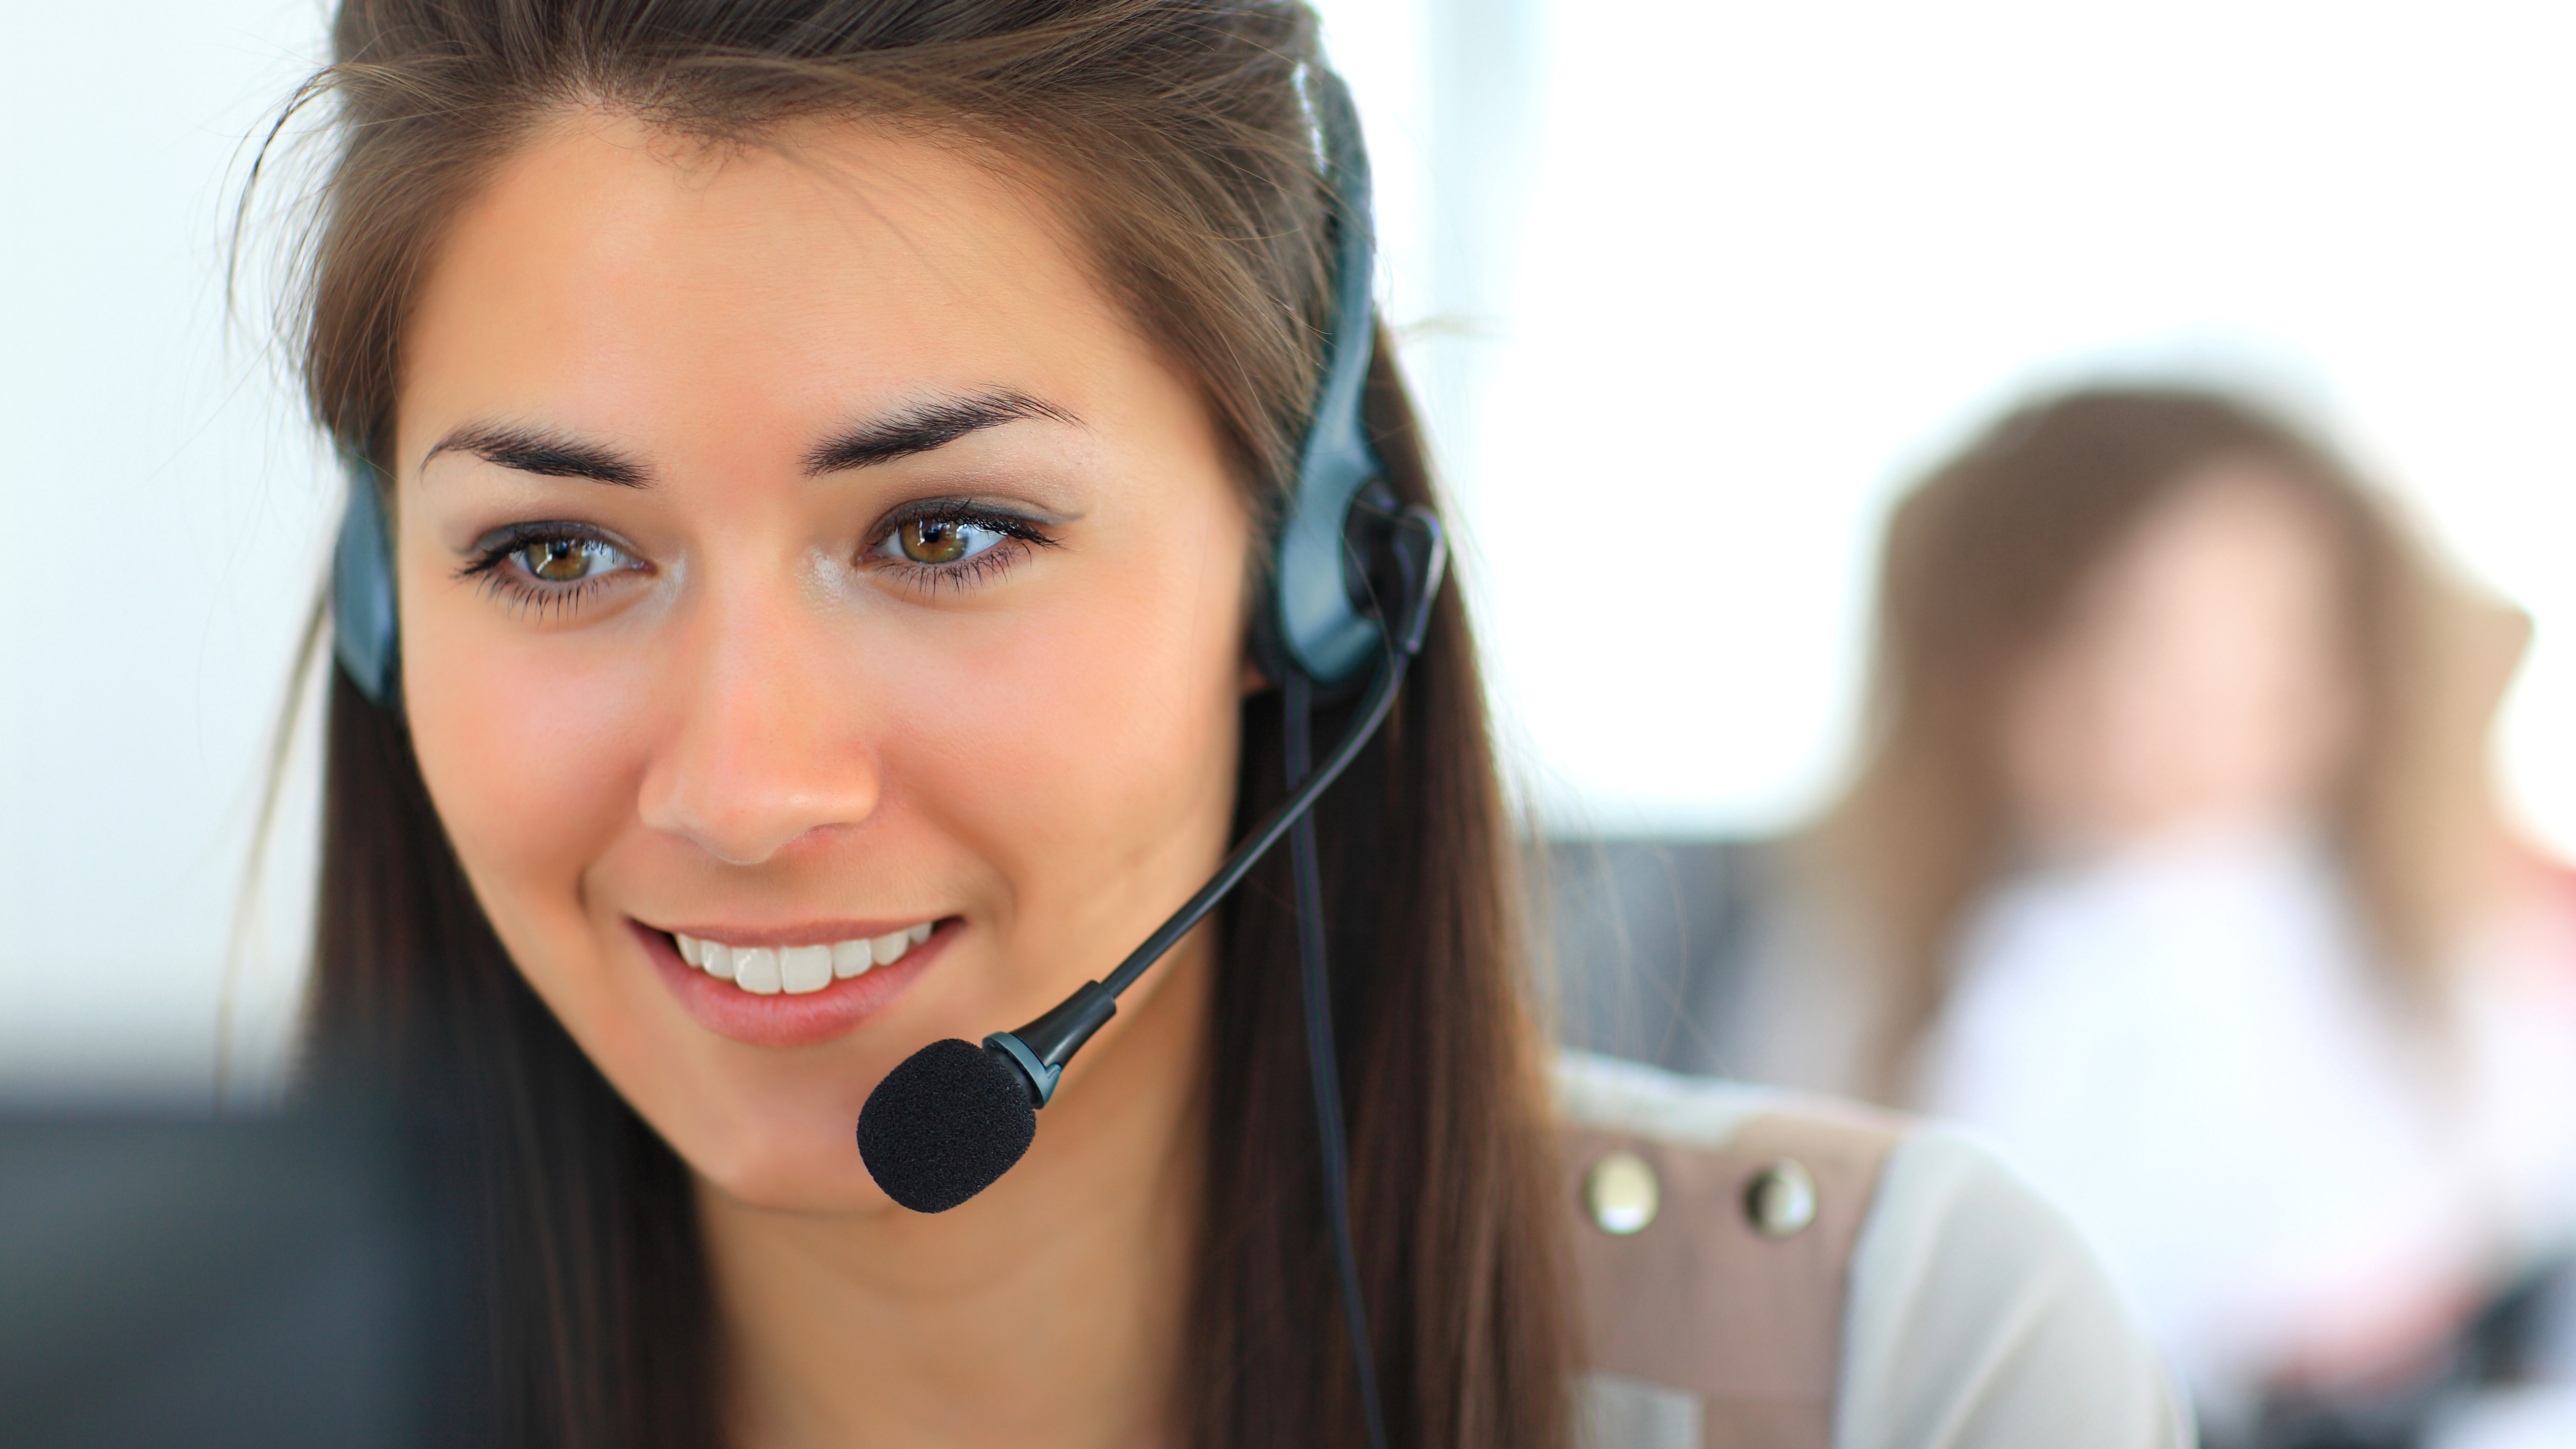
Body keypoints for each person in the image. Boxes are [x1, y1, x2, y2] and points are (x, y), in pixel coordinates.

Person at [262, 4, 2185, 1445]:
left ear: (1303, 568)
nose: (751, 789)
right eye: (554, 553)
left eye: (946, 534)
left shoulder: (1902, 1369)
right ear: (382, 608)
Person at [1699, 389, 2576, 1445]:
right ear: (1982, 666)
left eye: (2265, 649)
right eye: (2120, 641)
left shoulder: (2450, 942)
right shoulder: (1879, 959)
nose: (2188, 707)